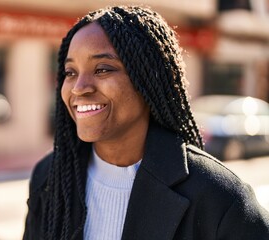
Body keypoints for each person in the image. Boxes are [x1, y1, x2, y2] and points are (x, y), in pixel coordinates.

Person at [23, 5, 269, 240]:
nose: (79, 88)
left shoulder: (219, 197)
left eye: (103, 69)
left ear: (149, 82)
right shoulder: (49, 176)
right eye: (70, 72)